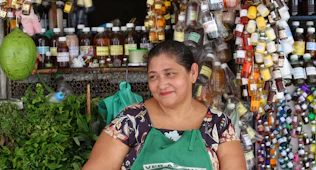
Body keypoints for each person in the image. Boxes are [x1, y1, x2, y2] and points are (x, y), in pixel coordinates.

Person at [83, 40, 247, 170]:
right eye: (153, 77)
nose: (162, 85)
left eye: (170, 74)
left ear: (193, 73)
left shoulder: (219, 125)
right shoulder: (130, 121)